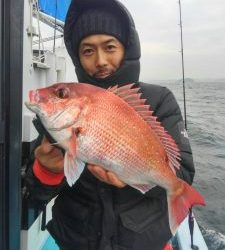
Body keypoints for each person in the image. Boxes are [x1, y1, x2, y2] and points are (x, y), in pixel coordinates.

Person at [25, 0, 195, 249]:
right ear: (77, 57)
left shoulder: (159, 101)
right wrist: (47, 171)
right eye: (88, 51)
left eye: (110, 47)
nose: (101, 60)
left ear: (127, 48)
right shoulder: (53, 120)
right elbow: (33, 198)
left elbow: (184, 174)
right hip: (76, 240)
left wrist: (134, 178)